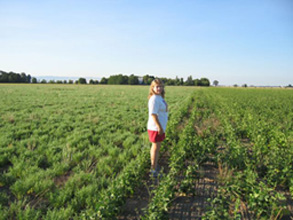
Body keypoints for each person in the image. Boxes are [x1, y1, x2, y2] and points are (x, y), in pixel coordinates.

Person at [147, 78, 168, 177]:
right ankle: (153, 170)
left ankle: (155, 165)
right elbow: (153, 115)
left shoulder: (159, 97)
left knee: (157, 147)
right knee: (155, 148)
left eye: (161, 86)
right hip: (155, 127)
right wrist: (159, 127)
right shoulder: (154, 99)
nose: (159, 88)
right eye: (157, 86)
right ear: (153, 88)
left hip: (160, 127)